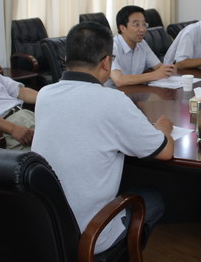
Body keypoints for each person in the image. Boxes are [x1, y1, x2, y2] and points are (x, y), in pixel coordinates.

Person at [31, 22, 174, 257]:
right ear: (107, 62)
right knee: (153, 199)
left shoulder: (45, 94)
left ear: (66, 58)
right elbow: (165, 152)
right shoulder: (112, 101)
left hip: (47, 226)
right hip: (91, 236)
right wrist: (163, 128)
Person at [109, 5, 176, 87]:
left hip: (135, 91)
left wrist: (168, 70)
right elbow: (119, 80)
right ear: (123, 28)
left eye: (144, 24)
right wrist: (154, 75)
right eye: (136, 24)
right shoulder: (111, 47)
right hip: (113, 92)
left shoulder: (142, 44)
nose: (142, 29)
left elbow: (158, 67)